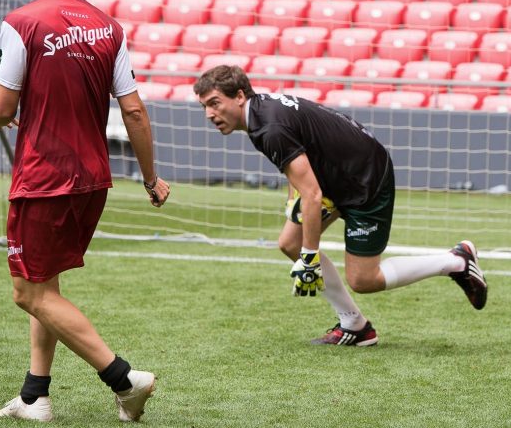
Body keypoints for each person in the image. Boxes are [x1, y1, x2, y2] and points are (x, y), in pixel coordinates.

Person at [0, 0, 170, 422]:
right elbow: (134, 111)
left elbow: (3, 107)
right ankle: (34, 395)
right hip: (94, 178)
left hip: (44, 178)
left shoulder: (22, 21)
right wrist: (151, 179)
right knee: (48, 283)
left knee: (28, 291)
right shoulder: (110, 29)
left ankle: (124, 378)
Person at [193, 65, 487, 346]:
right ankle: (355, 326)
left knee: (363, 279)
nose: (209, 114)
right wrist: (293, 204)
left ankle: (456, 261)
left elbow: (311, 194)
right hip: (338, 174)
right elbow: (300, 157)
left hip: (365, 179)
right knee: (289, 242)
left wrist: (310, 259)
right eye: (204, 106)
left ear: (240, 95)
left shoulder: (267, 127)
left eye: (215, 103)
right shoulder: (260, 112)